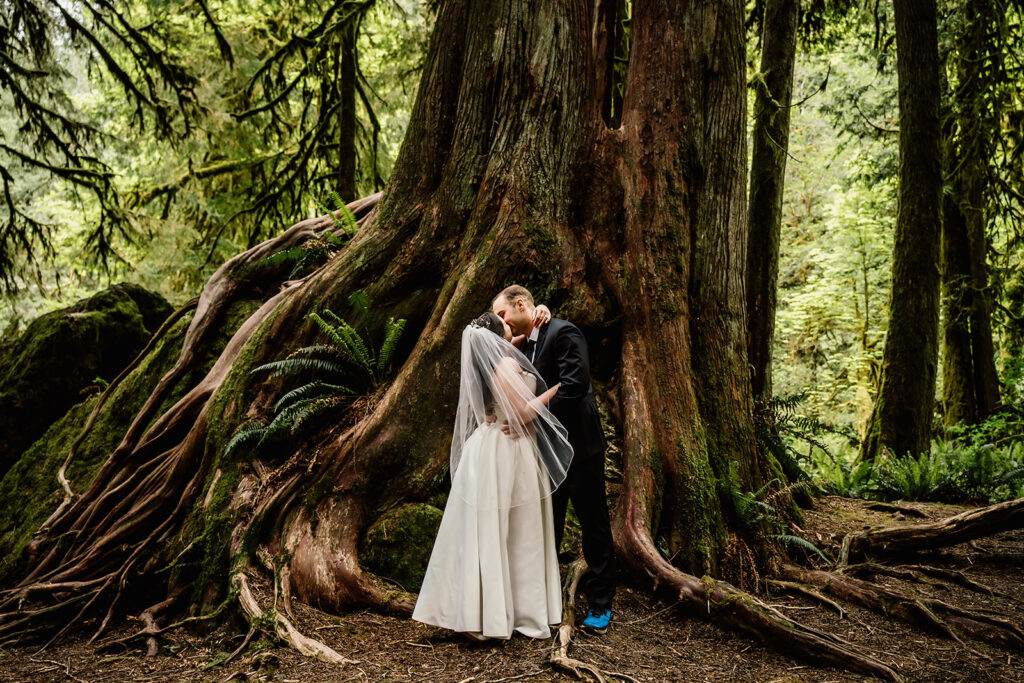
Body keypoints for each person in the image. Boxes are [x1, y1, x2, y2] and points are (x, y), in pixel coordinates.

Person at [412, 312, 572, 641]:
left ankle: (479, 608)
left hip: (487, 446)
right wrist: (555, 390)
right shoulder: (505, 364)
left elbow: (515, 342)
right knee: (515, 529)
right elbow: (523, 412)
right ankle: (510, 613)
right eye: (506, 327)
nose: (511, 329)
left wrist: (538, 313)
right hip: (507, 450)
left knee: (486, 529)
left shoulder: (482, 362)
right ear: (498, 338)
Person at [492, 285, 616, 634]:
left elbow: (574, 386)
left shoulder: (563, 332)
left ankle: (601, 604)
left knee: (594, 525)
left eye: (503, 314)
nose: (502, 322)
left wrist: (531, 420)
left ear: (520, 304)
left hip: (580, 448)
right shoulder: (522, 343)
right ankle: (545, 601)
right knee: (549, 525)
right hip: (544, 453)